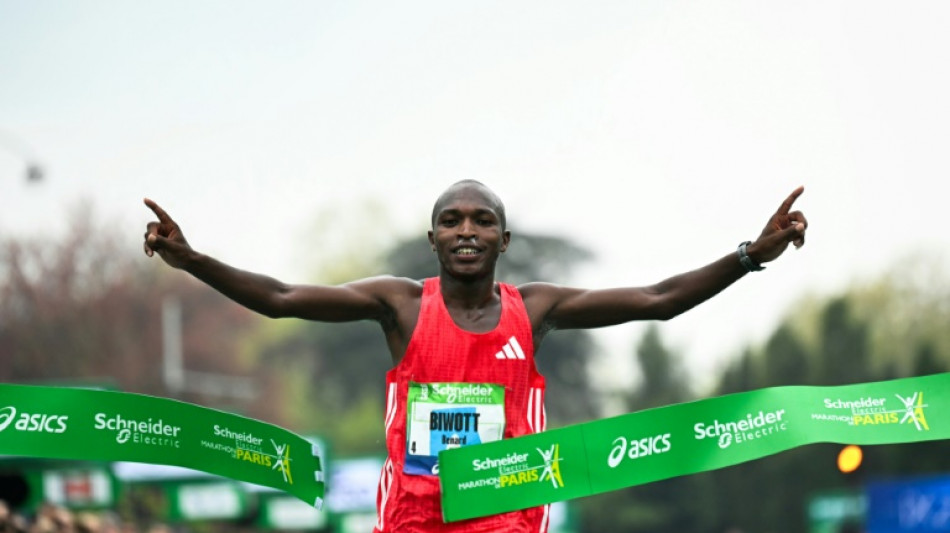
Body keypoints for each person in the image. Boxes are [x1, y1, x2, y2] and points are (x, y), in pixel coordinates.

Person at [143, 180, 807, 533]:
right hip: (413, 512)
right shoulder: (400, 305)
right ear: (432, 238)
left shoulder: (535, 309)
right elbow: (284, 296)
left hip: (506, 509)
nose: (467, 230)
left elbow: (658, 298)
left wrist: (750, 254)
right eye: (453, 219)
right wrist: (191, 258)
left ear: (504, 238)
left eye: (481, 219)